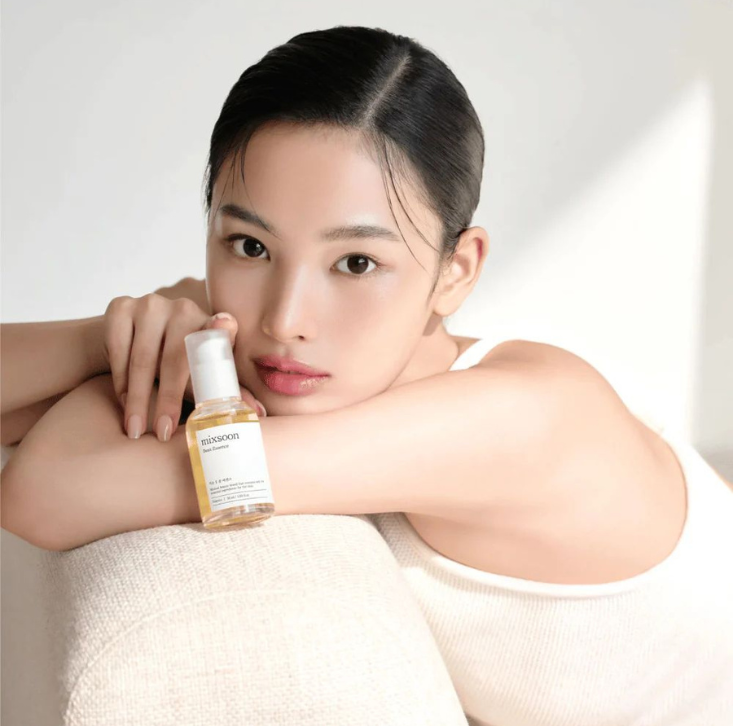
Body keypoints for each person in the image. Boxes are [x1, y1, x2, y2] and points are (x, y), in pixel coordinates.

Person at [2, 25, 732, 725]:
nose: (286, 318)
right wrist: (108, 337)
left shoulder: (519, 418)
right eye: (250, 246)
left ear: (456, 270)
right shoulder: (275, 347)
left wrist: (148, 352)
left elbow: (48, 494)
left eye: (356, 263)